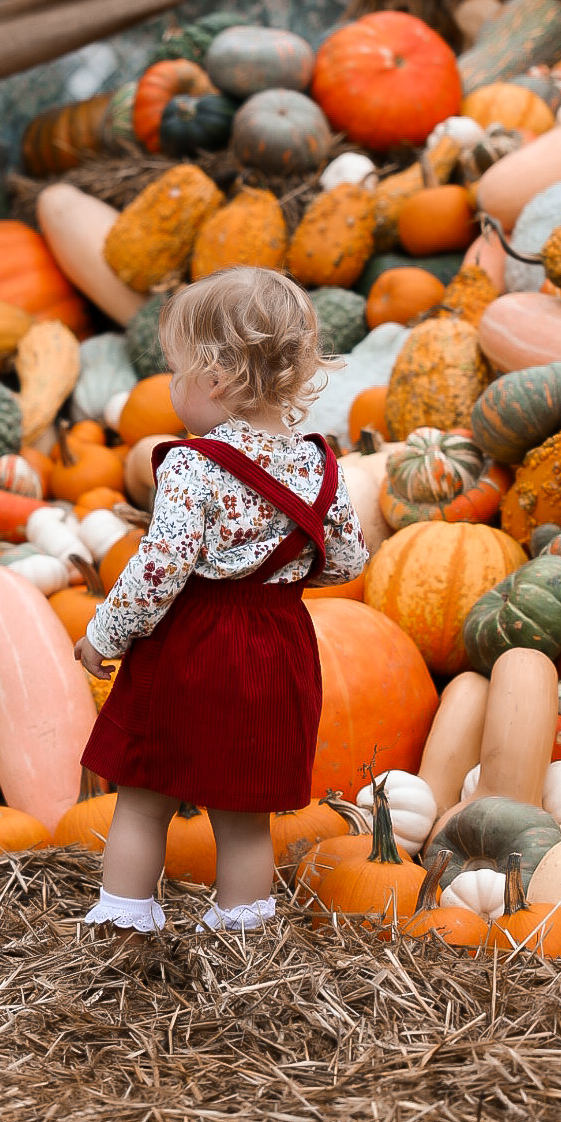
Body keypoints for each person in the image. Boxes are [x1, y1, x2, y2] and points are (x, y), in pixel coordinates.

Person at [74, 266, 368, 936]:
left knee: (145, 796)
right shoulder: (320, 463)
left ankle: (124, 919)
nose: (173, 388)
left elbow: (161, 567)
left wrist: (105, 635)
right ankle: (241, 928)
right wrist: (278, 581)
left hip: (195, 643)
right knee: (244, 809)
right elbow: (348, 558)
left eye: (176, 372)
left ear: (214, 378)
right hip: (278, 644)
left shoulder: (192, 462)